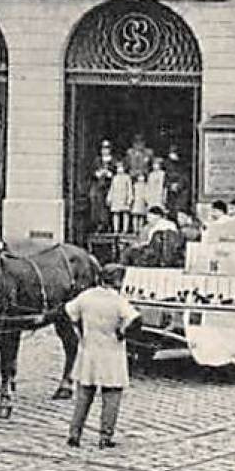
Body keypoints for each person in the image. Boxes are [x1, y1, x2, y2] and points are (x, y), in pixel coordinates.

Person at [62, 265, 141, 450]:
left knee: (83, 395)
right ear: (117, 280)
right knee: (111, 396)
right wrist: (122, 333)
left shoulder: (86, 296)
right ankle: (105, 437)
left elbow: (68, 312)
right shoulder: (118, 300)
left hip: (89, 351)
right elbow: (137, 320)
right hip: (111, 353)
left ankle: (74, 434)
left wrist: (80, 330)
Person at [108, 161, 133, 234]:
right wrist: (109, 197)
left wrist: (130, 198)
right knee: (116, 214)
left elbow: (130, 188)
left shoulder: (127, 177)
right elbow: (112, 188)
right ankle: (116, 229)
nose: (120, 169)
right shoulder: (115, 178)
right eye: (118, 168)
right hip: (116, 197)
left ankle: (125, 229)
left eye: (121, 168)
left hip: (124, 197)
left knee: (125, 213)